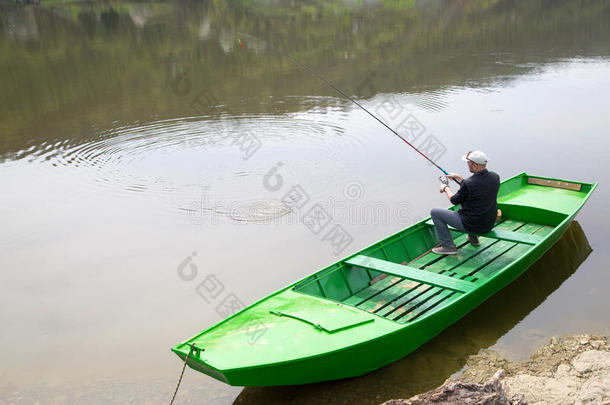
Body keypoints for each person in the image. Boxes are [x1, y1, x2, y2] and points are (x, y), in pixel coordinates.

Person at [430, 150, 500, 255]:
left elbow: (454, 200)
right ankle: (473, 239)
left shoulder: (469, 183)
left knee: (435, 212)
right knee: (473, 208)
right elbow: (477, 189)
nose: (467, 165)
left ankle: (448, 247)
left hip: (473, 225)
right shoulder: (495, 177)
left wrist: (445, 188)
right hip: (489, 224)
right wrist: (459, 178)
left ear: (475, 165)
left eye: (468, 163)